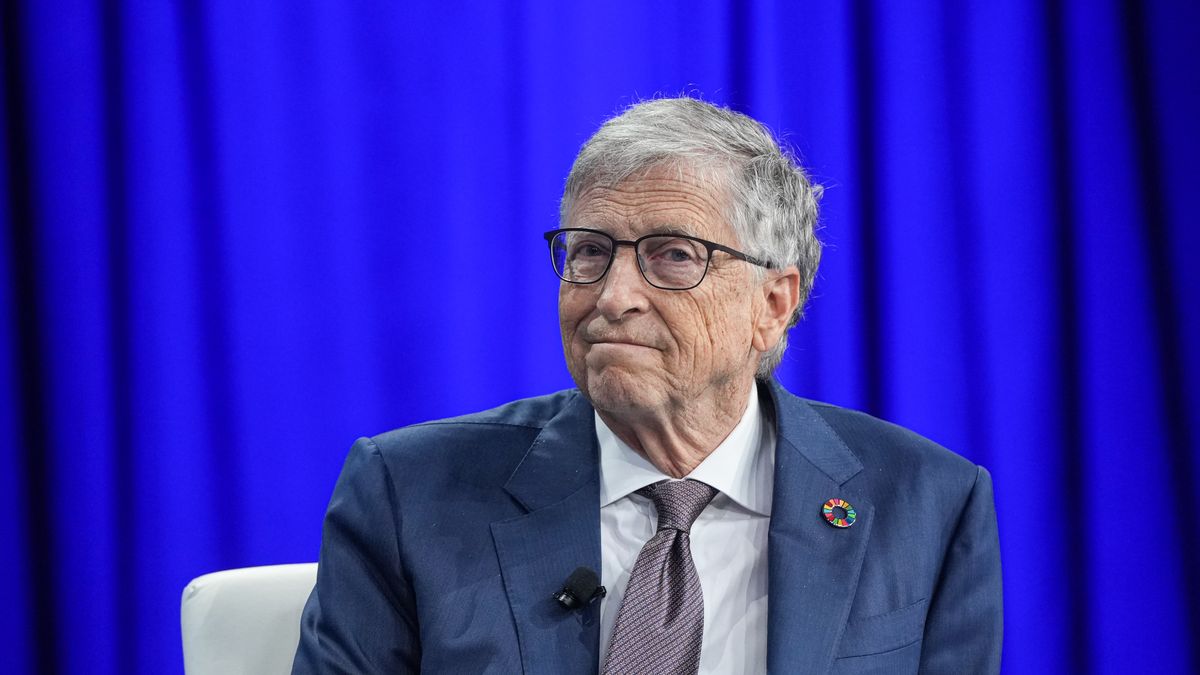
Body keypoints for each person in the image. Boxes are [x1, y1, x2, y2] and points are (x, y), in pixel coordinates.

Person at [292, 97, 1002, 674]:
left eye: (672, 255)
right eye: (591, 252)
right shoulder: (406, 493)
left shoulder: (924, 503)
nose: (613, 295)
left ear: (773, 304)